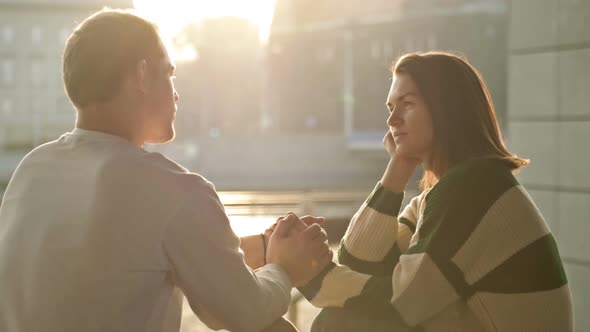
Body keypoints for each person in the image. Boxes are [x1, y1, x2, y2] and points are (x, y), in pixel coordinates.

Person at [0, 9, 332, 332]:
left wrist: (263, 245)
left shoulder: (32, 170)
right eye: (169, 72)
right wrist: (285, 268)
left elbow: (145, 255)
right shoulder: (172, 189)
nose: (176, 91)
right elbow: (244, 314)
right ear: (142, 75)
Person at [284, 51, 574, 331]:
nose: (392, 120)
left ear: (446, 109)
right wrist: (398, 168)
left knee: (338, 324)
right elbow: (359, 260)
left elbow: (402, 302)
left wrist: (313, 278)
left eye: (407, 104)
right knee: (343, 319)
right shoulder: (444, 192)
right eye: (390, 107)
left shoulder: (474, 188)